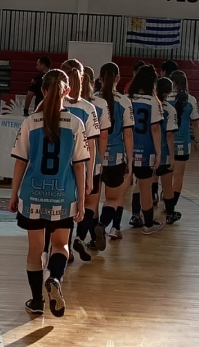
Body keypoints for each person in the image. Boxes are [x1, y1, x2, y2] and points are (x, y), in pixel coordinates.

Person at [8, 68, 88, 318]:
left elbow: (20, 161)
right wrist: (82, 201)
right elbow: (80, 165)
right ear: (68, 91)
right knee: (61, 245)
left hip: (33, 193)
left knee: (35, 250)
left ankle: (36, 301)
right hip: (62, 194)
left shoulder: (30, 122)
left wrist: (13, 194)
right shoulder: (76, 124)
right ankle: (54, 277)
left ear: (42, 91)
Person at [53, 59, 100, 263]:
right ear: (82, 79)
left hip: (57, 166)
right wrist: (90, 175)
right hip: (80, 165)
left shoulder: (52, 104)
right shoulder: (89, 108)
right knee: (80, 206)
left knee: (60, 207)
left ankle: (57, 248)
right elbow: (92, 145)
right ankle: (74, 241)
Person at [72, 65, 111, 254]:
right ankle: (79, 238)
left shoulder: (64, 102)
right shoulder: (99, 104)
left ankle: (63, 247)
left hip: (68, 160)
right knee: (90, 204)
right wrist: (99, 160)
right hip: (90, 160)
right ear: (92, 83)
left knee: (67, 204)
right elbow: (102, 136)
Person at [96, 62, 134, 243]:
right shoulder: (124, 102)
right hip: (116, 158)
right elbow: (128, 134)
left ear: (100, 78)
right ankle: (102, 225)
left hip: (94, 157)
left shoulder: (92, 100)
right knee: (112, 199)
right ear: (118, 78)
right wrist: (130, 161)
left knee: (91, 202)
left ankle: (88, 236)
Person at [128, 65, 165, 234]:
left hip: (127, 150)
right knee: (145, 187)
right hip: (146, 150)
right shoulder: (153, 101)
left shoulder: (127, 99)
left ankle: (115, 224)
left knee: (122, 188)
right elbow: (155, 128)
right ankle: (148, 224)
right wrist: (158, 152)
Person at [167, 71, 199, 224]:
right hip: (183, 142)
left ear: (171, 82)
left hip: (166, 142)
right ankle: (171, 208)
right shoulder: (191, 99)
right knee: (178, 177)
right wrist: (197, 141)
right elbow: (195, 123)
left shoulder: (164, 98)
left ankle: (161, 200)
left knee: (165, 175)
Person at [154, 77, 179, 226]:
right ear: (169, 92)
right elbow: (169, 135)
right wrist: (172, 157)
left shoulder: (149, 105)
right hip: (163, 151)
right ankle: (170, 213)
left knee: (143, 185)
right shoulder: (169, 109)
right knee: (167, 184)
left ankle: (139, 214)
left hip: (148, 150)